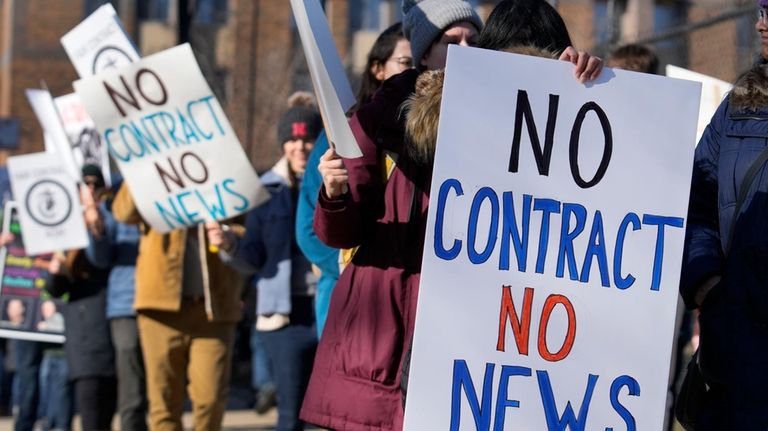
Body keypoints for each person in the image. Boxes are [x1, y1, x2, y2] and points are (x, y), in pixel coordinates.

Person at [300, 1, 602, 430]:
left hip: (470, 350)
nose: (463, 50)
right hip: (382, 348)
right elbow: (342, 229)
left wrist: (574, 82)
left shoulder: (512, 118)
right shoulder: (387, 117)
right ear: (424, 53)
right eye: (450, 41)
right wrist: (334, 192)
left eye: (473, 41)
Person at [679, 1, 768, 428]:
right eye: (761, 10)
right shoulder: (739, 106)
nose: (760, 24)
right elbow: (695, 201)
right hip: (733, 363)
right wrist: (706, 284)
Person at [296, 22, 413, 339]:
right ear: (378, 69)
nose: (415, 73)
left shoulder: (426, 139)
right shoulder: (341, 132)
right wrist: (357, 271)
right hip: (346, 303)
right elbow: (308, 227)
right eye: (405, 63)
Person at [213, 94, 321, 431]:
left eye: (306, 140)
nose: (299, 147)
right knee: (290, 415)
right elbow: (253, 258)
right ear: (282, 144)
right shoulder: (264, 189)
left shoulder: (335, 179)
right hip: (283, 317)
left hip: (328, 307)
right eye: (292, 139)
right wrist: (230, 244)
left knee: (328, 412)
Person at [112, 168, 245, 430]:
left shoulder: (222, 164)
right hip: (160, 307)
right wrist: (141, 165)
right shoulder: (150, 171)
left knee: (210, 400)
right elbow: (123, 212)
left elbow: (248, 226)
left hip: (214, 307)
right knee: (163, 405)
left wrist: (229, 236)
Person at [82, 164, 147, 431]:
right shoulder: (116, 197)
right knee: (131, 391)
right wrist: (96, 228)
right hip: (127, 304)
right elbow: (101, 258)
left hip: (169, 298)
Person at [46, 247, 116, 431]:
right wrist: (57, 268)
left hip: (115, 333)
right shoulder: (71, 249)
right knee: (90, 411)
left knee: (107, 412)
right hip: (85, 342)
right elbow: (54, 289)